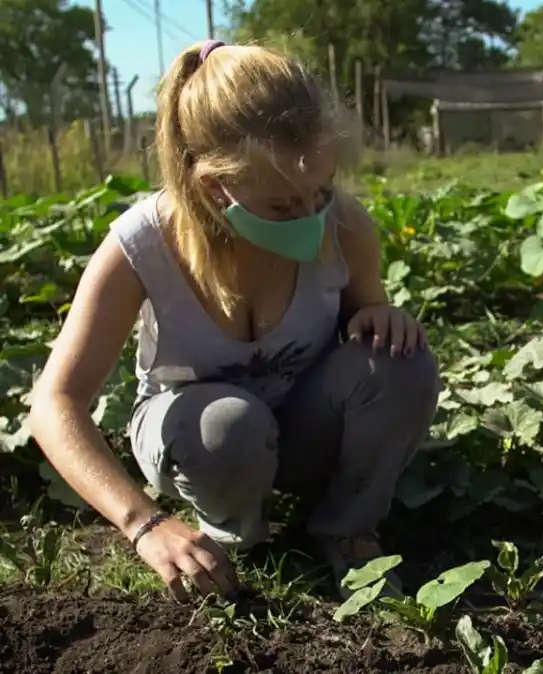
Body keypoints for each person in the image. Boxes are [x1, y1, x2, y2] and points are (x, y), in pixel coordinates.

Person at [26, 40, 442, 603]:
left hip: (299, 427)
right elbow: (55, 403)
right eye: (281, 206)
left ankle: (348, 528)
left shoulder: (344, 226)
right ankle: (232, 531)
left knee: (402, 364)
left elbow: (365, 322)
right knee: (226, 425)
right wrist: (143, 524)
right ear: (212, 186)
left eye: (320, 192)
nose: (310, 216)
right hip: (200, 439)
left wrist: (379, 316)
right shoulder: (141, 246)